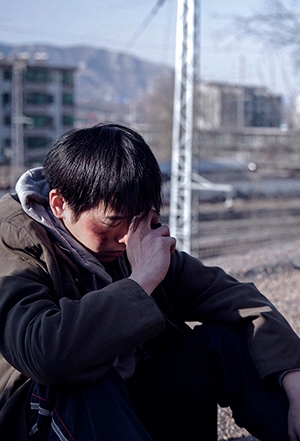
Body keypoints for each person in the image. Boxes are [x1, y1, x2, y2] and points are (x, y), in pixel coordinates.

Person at [0, 123, 300, 441]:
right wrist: (142, 279)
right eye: (113, 221)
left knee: (222, 343)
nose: (129, 236)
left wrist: (293, 375)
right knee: (86, 375)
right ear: (60, 205)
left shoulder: (135, 241)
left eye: (139, 219)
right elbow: (46, 354)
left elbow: (236, 299)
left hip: (128, 412)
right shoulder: (15, 239)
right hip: (43, 419)